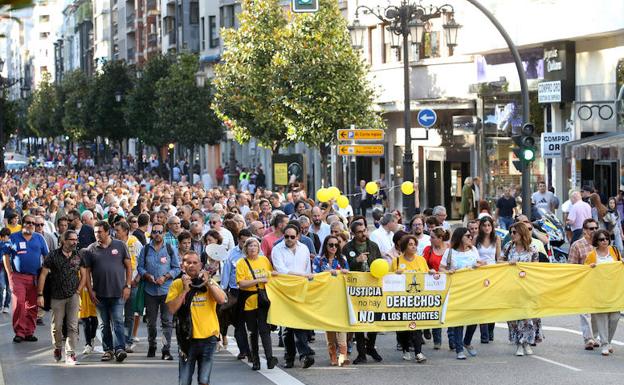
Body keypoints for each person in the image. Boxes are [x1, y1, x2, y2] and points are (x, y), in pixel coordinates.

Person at [166, 251, 226, 385]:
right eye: (188, 262)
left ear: (200, 265)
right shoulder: (177, 284)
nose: (191, 265)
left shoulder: (208, 282)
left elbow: (222, 300)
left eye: (195, 263)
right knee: (185, 381)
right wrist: (185, 291)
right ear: (183, 266)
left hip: (208, 338)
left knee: (204, 381)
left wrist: (208, 282)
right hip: (187, 340)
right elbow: (171, 309)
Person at [80, 220, 132, 363]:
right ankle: (108, 350)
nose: (97, 235)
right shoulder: (91, 249)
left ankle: (119, 349)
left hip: (118, 293)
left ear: (107, 232)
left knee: (118, 322)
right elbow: (87, 273)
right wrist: (90, 291)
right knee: (103, 324)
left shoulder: (120, 246)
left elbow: (129, 266)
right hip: (99, 294)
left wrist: (128, 286)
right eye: (95, 232)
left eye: (100, 232)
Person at [271, 224, 315, 369]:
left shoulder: (304, 248)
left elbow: (307, 268)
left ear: (298, 236)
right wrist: (302, 275)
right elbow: (281, 270)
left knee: (299, 323)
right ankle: (293, 356)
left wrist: (307, 282)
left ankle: (302, 355)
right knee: (287, 326)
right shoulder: (277, 249)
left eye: (292, 237)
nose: (289, 239)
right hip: (283, 291)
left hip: (300, 289)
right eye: (286, 236)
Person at [137, 222, 181, 360]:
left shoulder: (169, 248)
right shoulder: (145, 249)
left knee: (167, 322)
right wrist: (147, 275)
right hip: (150, 291)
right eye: (154, 232)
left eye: (160, 232)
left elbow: (177, 268)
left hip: (166, 290)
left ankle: (166, 349)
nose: (157, 234)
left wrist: (165, 276)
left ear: (163, 233)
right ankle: (152, 345)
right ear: (151, 234)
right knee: (151, 322)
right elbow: (140, 267)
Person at [37, 230, 81, 365]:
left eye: (76, 240)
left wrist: (79, 291)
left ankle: (70, 353)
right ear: (64, 241)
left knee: (73, 325)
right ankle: (57, 348)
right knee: (57, 326)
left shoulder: (78, 256)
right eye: (71, 240)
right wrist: (40, 294)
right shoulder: (53, 255)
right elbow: (43, 274)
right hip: (57, 296)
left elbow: (84, 274)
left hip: (73, 295)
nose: (74, 242)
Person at [3, 214, 49, 343]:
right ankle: (19, 332)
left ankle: (29, 331)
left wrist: (45, 275)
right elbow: (5, 255)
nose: (31, 225)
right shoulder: (13, 237)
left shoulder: (39, 238)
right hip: (18, 277)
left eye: (33, 223)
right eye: (28, 222)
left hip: (35, 278)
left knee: (32, 306)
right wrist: (9, 273)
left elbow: (47, 257)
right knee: (19, 304)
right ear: (23, 223)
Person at [439, 227, 483, 359]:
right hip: (457, 290)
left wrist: (479, 265)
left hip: (473, 289)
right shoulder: (450, 252)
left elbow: (480, 264)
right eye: (467, 236)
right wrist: (448, 271)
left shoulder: (474, 250)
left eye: (471, 236)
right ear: (460, 238)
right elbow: (441, 267)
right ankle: (459, 349)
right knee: (458, 319)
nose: (470, 238)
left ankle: (467, 342)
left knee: (474, 318)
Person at [343, 221, 383, 364]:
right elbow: (345, 266)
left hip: (373, 287)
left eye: (364, 230)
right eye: (359, 232)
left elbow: (380, 263)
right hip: (356, 289)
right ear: (353, 233)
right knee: (358, 321)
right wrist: (356, 260)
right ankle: (361, 353)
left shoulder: (373, 246)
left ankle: (371, 347)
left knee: (374, 319)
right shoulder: (347, 248)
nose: (363, 233)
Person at [499, 222, 541, 356]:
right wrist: (508, 264)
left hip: (527, 287)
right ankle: (518, 343)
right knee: (513, 317)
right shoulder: (508, 246)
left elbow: (536, 267)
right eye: (511, 232)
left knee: (526, 316)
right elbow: (499, 261)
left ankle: (526, 342)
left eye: (514, 232)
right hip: (511, 287)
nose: (512, 235)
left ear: (522, 233)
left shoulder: (532, 249)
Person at [236, 237, 278, 370]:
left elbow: (271, 275)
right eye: (250, 246)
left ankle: (270, 357)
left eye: (255, 245)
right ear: (246, 249)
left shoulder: (264, 260)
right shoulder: (241, 263)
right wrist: (258, 280)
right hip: (249, 301)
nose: (253, 248)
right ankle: (255, 360)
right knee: (253, 332)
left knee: (265, 330)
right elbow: (242, 283)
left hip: (263, 299)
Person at [390, 235, 433, 363]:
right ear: (404, 246)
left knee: (416, 327)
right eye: (410, 244)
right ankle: (405, 349)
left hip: (417, 300)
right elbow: (388, 279)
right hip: (402, 300)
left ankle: (418, 352)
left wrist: (430, 272)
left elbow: (426, 275)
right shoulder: (396, 261)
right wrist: (394, 274)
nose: (413, 246)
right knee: (404, 329)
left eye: (414, 244)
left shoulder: (421, 260)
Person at [312, 235, 350, 366]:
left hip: (340, 297)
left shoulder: (342, 258)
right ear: (325, 246)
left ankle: (343, 356)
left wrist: (341, 272)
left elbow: (348, 275)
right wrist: (330, 273)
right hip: (325, 297)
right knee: (329, 328)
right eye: (330, 245)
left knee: (341, 326)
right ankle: (333, 355)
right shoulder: (319, 260)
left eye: (336, 245)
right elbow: (316, 276)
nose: (334, 247)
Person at [584, 229, 622, 356]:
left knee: (615, 317)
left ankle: (608, 341)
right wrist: (591, 267)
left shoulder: (614, 251)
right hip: (598, 290)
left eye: (606, 238)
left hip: (614, 290)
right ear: (597, 242)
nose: (605, 241)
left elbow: (619, 265)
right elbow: (585, 271)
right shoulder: (591, 255)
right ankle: (605, 344)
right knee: (602, 318)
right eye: (601, 239)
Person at [568, 218, 600, 350]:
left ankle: (596, 336)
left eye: (595, 228)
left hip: (599, 284)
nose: (594, 231)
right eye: (591, 228)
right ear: (585, 230)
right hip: (583, 283)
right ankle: (588, 339)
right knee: (585, 312)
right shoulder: (577, 245)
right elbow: (571, 266)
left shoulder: (602, 243)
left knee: (597, 312)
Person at [221, 229, 252, 360]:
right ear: (238, 240)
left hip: (251, 291)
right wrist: (223, 290)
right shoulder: (231, 254)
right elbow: (226, 273)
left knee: (251, 323)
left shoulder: (256, 251)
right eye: (244, 242)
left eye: (249, 242)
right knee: (239, 323)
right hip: (236, 291)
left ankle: (252, 351)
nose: (247, 245)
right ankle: (243, 350)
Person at [422, 226, 450, 349]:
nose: (430, 240)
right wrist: (429, 270)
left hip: (448, 284)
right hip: (432, 285)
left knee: (449, 312)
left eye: (432, 238)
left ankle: (453, 340)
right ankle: (437, 340)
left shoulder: (449, 249)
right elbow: (422, 265)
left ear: (440, 238)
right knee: (436, 311)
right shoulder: (428, 250)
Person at [475, 216, 500, 343]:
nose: (486, 228)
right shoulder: (476, 240)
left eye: (489, 225)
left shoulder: (496, 239)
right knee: (482, 304)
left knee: (492, 304)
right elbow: (473, 255)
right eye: (484, 225)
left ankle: (490, 329)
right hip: (480, 273)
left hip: (493, 273)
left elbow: (498, 258)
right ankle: (484, 335)